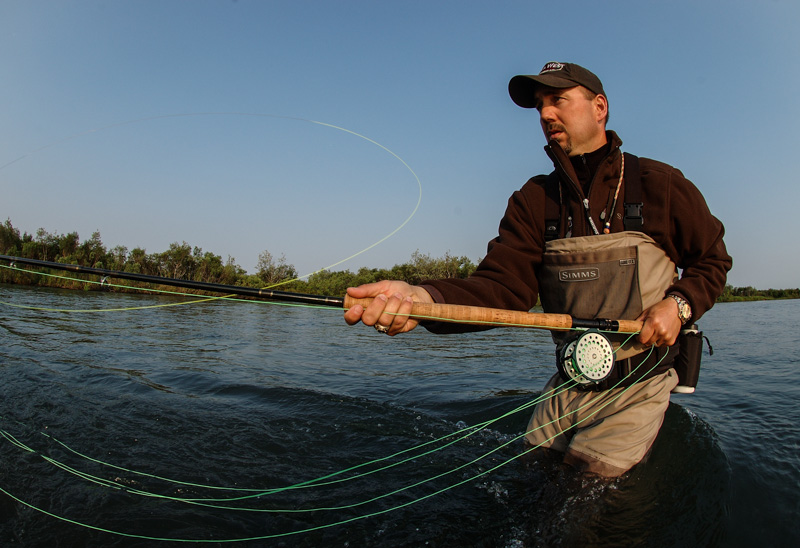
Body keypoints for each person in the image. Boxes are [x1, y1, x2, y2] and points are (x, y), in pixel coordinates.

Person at [344, 62, 732, 477]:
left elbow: (713, 260)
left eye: (558, 100)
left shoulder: (661, 183)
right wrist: (422, 299)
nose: (546, 114)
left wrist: (679, 305)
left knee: (583, 501)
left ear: (599, 107)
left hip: (640, 385)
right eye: (540, 106)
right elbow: (500, 287)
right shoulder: (533, 199)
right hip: (567, 385)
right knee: (529, 483)